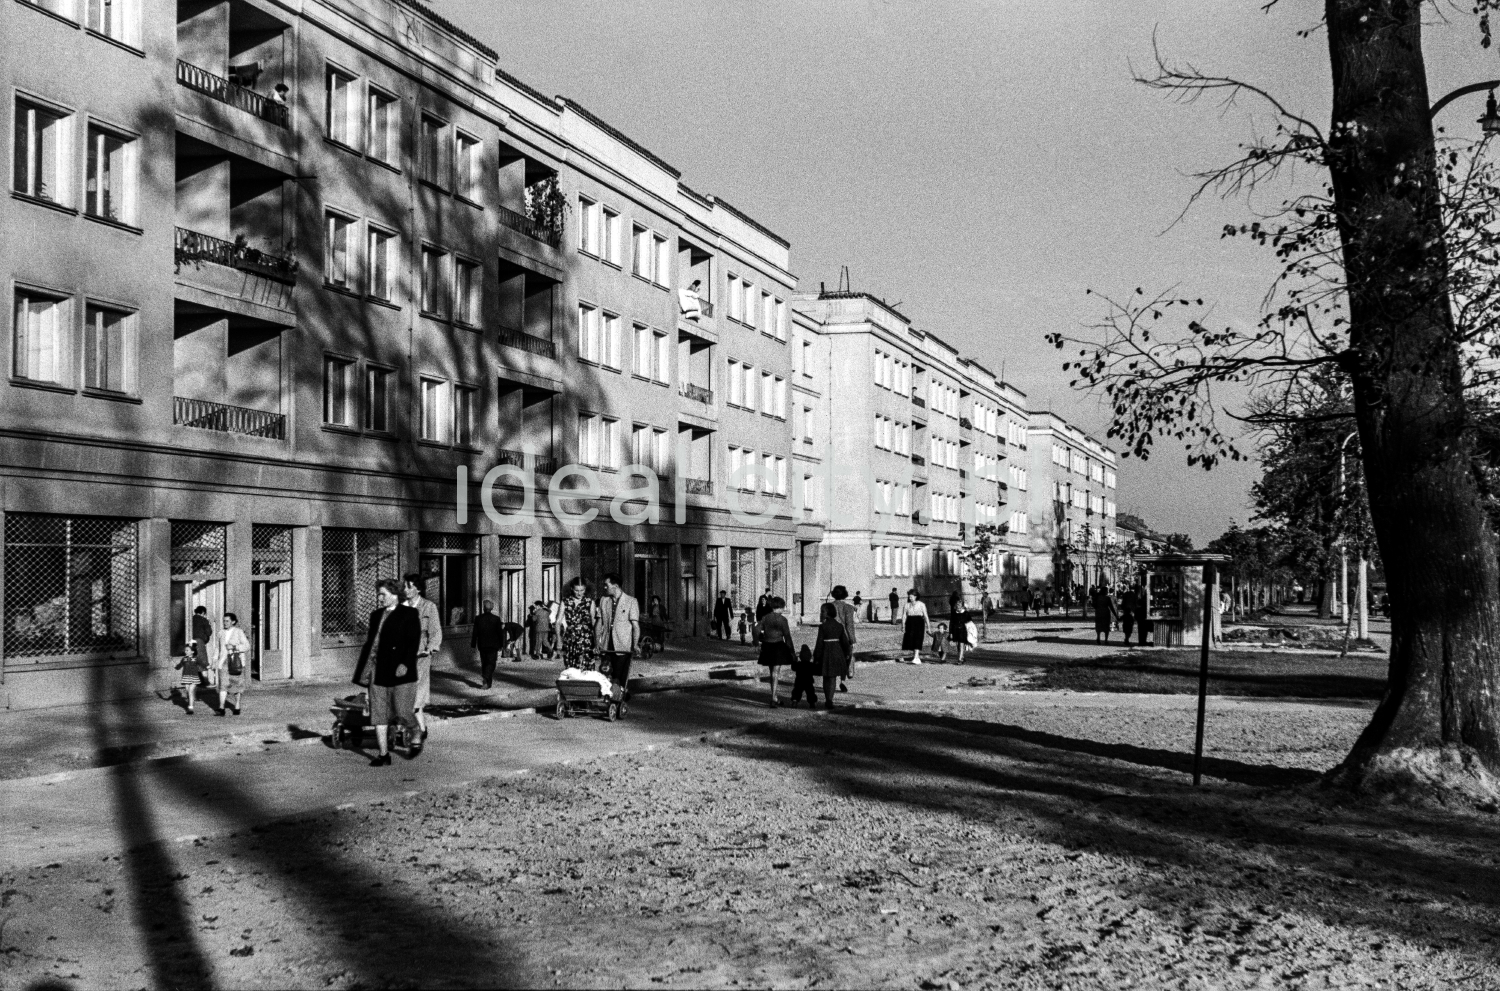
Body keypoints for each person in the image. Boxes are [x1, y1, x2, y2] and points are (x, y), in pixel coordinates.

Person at [353, 579, 422, 766]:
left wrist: (406, 663)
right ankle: (384, 755)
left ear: (394, 595)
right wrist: (365, 670)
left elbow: (413, 642)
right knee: (379, 713)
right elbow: (371, 644)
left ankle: (415, 731)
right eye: (379, 594)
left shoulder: (409, 613)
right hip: (378, 670)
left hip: (401, 672)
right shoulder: (376, 615)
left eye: (383, 594)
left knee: (402, 711)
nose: (380, 597)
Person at [403, 573, 442, 746]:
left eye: (409, 586)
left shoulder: (429, 607)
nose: (405, 589)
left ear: (418, 589)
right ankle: (422, 728)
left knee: (416, 692)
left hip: (421, 655)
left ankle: (414, 729)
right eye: (404, 586)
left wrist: (430, 648)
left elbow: (435, 631)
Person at [595, 574, 640, 686]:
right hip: (606, 646)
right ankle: (607, 698)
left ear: (615, 585)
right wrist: (597, 643)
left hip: (623, 647)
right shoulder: (603, 601)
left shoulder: (631, 601)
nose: (604, 587)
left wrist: (635, 645)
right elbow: (599, 623)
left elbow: (635, 626)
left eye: (606, 585)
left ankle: (618, 699)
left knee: (619, 678)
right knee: (604, 675)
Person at [754, 595, 795, 706]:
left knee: (772, 672)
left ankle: (775, 696)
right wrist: (792, 652)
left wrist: (756, 643)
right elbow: (787, 637)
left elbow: (756, 629)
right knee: (775, 673)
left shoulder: (765, 617)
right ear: (780, 607)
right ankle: (773, 698)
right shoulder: (782, 619)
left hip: (767, 646)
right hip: (778, 646)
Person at [811, 602, 853, 711]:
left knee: (826, 677)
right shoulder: (839, 626)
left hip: (826, 652)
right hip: (837, 652)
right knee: (833, 677)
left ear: (827, 613)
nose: (821, 614)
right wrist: (847, 653)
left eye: (822, 612)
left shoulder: (823, 627)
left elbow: (819, 643)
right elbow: (844, 642)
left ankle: (827, 699)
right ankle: (830, 699)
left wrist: (816, 656)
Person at [209, 612, 252, 715]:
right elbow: (218, 648)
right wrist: (214, 660)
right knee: (223, 685)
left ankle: (237, 706)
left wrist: (234, 647)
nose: (225, 623)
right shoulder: (221, 633)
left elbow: (247, 646)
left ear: (233, 622)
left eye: (227, 621)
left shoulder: (239, 632)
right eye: (224, 621)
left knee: (237, 685)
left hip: (236, 662)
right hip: (223, 662)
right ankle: (221, 708)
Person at [555, 577, 598, 670]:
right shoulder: (565, 601)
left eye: (582, 590)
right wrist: (559, 640)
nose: (579, 593)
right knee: (571, 667)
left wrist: (597, 641)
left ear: (586, 589)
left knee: (586, 667)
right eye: (576, 590)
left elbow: (594, 622)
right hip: (570, 639)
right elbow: (558, 622)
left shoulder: (590, 602)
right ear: (571, 589)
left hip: (587, 639)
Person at [471, 600, 507, 689]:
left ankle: (487, 683)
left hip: (482, 644)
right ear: (492, 608)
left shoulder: (478, 618)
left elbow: (475, 632)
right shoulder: (496, 619)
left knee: (484, 663)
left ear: (483, 608)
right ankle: (486, 676)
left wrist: (473, 643)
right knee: (491, 663)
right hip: (493, 645)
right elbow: (500, 633)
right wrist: (502, 644)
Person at [830, 585, 858, 693]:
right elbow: (849, 625)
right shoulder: (848, 607)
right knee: (843, 658)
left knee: (833, 658)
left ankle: (836, 682)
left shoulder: (828, 606)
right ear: (845, 594)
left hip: (831, 635)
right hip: (844, 636)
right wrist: (853, 640)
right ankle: (841, 681)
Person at [900, 589, 928, 663]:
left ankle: (916, 656)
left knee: (918, 638)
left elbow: (925, 616)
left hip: (919, 622)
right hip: (909, 622)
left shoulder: (921, 604)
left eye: (911, 596)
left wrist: (928, 626)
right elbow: (904, 616)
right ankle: (916, 657)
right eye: (909, 597)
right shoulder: (906, 605)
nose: (910, 598)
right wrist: (903, 625)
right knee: (909, 638)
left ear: (915, 596)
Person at [790, 643, 819, 708]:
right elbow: (816, 670)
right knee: (810, 692)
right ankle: (812, 703)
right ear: (809, 657)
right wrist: (816, 662)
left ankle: (795, 701)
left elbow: (793, 667)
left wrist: (794, 660)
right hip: (808, 681)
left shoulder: (798, 664)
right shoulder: (811, 665)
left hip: (799, 681)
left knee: (797, 691)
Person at [949, 593, 974, 664]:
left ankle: (960, 659)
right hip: (955, 631)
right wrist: (950, 633)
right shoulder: (954, 614)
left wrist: (971, 632)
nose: (958, 607)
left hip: (963, 631)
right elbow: (951, 624)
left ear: (962, 606)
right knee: (958, 645)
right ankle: (962, 656)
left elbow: (970, 623)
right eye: (957, 605)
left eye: (960, 605)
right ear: (955, 606)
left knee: (961, 644)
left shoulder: (966, 614)